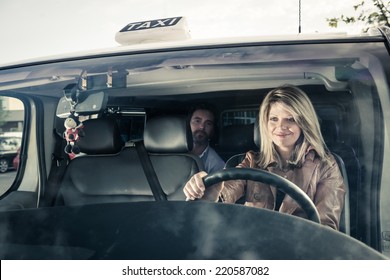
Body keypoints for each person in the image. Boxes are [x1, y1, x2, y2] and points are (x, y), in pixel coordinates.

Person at [183, 85, 345, 230]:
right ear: (265, 124)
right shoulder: (252, 161)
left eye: (290, 119)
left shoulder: (325, 166)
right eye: (274, 119)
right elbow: (224, 193)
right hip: (252, 248)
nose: (280, 126)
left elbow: (326, 230)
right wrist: (207, 186)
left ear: (303, 123)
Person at [188, 103, 225, 174]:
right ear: (188, 124)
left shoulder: (216, 163)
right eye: (197, 121)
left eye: (208, 123)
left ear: (213, 130)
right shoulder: (173, 153)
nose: (202, 127)